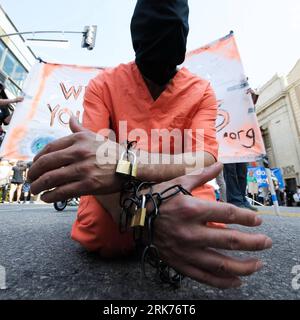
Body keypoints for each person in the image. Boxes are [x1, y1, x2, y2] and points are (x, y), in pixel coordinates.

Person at [28, 0, 272, 289]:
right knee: (104, 234)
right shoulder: (103, 85)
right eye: (154, 33)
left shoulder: (200, 90)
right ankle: (156, 232)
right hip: (117, 193)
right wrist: (144, 216)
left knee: (199, 225)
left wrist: (127, 162)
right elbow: (93, 167)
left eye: (171, 33)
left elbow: (204, 159)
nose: (161, 43)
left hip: (174, 185)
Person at [223, 89, 259, 211]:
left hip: (242, 138)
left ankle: (242, 198)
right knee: (231, 171)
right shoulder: (223, 94)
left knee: (242, 171)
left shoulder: (243, 96)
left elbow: (251, 110)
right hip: (227, 138)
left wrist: (251, 96)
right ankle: (235, 200)